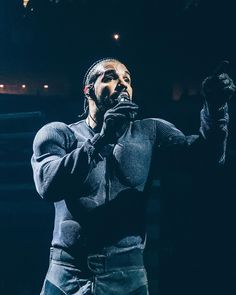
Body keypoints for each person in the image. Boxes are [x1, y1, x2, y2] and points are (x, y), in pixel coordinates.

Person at [31, 58, 235, 295]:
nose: (121, 83)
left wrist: (216, 109)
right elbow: (47, 185)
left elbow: (207, 159)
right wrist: (102, 140)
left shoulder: (150, 132)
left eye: (127, 79)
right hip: (68, 275)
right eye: (109, 77)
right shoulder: (59, 133)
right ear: (88, 91)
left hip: (127, 277)